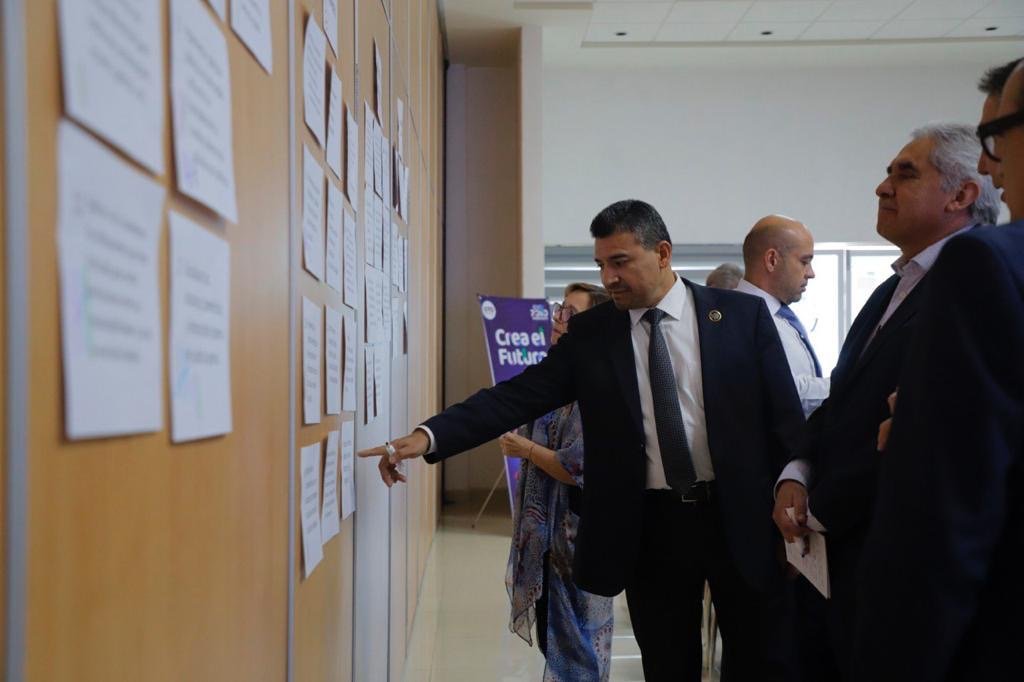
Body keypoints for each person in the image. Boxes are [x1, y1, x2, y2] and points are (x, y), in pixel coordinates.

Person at [360, 199, 805, 681]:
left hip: (738, 517)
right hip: (651, 528)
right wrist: (429, 436)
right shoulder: (593, 334)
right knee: (668, 664)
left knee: (761, 659)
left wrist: (796, 494)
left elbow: (784, 420)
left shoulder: (739, 316)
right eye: (601, 265)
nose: (609, 277)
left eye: (620, 262)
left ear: (662, 253)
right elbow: (517, 396)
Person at [771, 123, 1001, 680]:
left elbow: (925, 432)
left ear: (962, 194)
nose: (882, 187)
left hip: (905, 561)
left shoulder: (979, 283)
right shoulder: (891, 288)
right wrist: (796, 472)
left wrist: (819, 513)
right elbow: (846, 400)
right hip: (844, 558)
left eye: (906, 174)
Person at [852, 60, 1024, 682]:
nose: (990, 164)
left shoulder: (985, 266)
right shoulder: (888, 291)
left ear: (961, 196)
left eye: (995, 137)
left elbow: (949, 508)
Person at [500, 282, 614, 682]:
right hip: (547, 541)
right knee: (559, 644)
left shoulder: (595, 386)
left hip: (574, 542)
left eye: (571, 314)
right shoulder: (556, 376)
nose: (559, 320)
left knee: (577, 650)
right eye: (559, 309)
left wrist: (526, 449)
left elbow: (576, 467)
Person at [736, 216, 829, 416]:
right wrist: (847, 385)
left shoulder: (781, 316)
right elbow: (783, 389)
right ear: (772, 260)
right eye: (804, 262)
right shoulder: (736, 320)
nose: (811, 273)